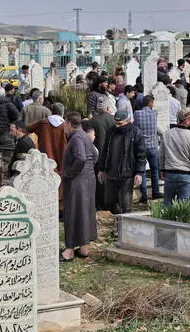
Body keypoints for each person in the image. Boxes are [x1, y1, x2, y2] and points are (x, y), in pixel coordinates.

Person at [60, 112, 99, 262]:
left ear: (69, 124)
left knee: (72, 213)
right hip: (88, 180)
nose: (64, 127)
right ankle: (84, 248)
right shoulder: (84, 135)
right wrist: (88, 169)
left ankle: (69, 250)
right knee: (85, 213)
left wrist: (71, 173)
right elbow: (94, 155)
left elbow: (81, 158)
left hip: (77, 182)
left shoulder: (75, 138)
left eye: (64, 124)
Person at [96, 111, 146, 215]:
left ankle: (124, 227)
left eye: (120, 124)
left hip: (127, 175)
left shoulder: (136, 132)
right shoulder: (111, 131)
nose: (117, 126)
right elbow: (104, 151)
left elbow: (141, 155)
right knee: (109, 201)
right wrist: (101, 169)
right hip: (111, 174)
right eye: (115, 123)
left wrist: (139, 173)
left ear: (127, 121)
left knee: (126, 205)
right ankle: (118, 223)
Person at [159, 107, 190, 205]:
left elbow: (161, 154)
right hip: (185, 175)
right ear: (187, 120)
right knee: (183, 206)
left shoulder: (167, 134)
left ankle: (164, 220)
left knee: (167, 202)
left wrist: (162, 169)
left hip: (170, 173)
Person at [134, 95, 162, 204]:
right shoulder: (154, 113)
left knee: (143, 171)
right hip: (153, 146)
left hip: (141, 146)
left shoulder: (137, 114)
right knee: (155, 170)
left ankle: (144, 195)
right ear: (150, 103)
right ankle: (156, 192)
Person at [27, 102, 67, 177]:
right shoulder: (65, 126)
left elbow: (28, 128)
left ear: (51, 111)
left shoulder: (43, 123)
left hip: (45, 157)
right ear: (62, 113)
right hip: (62, 158)